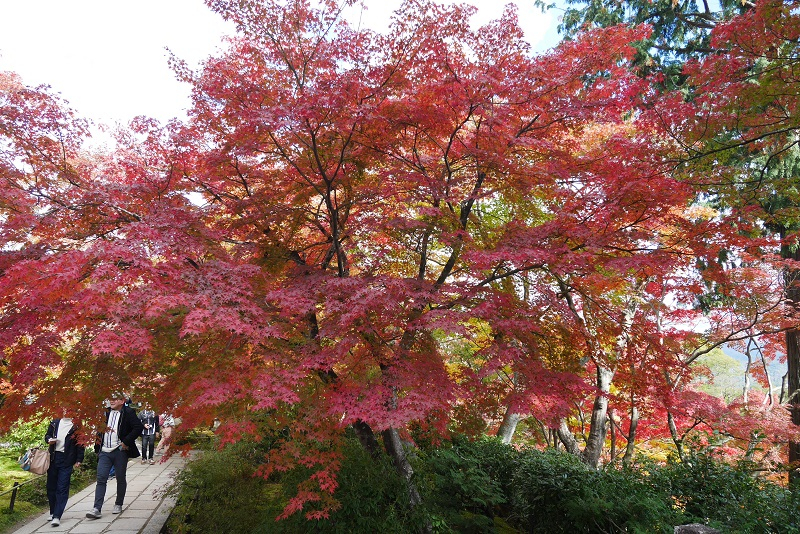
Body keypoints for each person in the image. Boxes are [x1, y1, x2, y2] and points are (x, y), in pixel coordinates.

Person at [86, 391, 143, 520]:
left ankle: (118, 503)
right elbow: (99, 430)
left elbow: (138, 427)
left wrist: (126, 442)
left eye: (115, 399)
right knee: (101, 478)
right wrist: (97, 448)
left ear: (122, 401)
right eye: (110, 398)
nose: (111, 401)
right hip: (105, 451)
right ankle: (96, 508)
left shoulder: (128, 412)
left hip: (120, 451)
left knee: (120, 477)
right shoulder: (105, 412)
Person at [44, 413, 85, 527]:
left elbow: (80, 444)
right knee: (51, 486)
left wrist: (79, 459)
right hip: (53, 458)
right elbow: (46, 436)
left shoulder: (76, 425)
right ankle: (53, 511)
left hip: (67, 459)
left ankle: (57, 515)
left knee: (62, 487)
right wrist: (49, 440)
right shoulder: (55, 422)